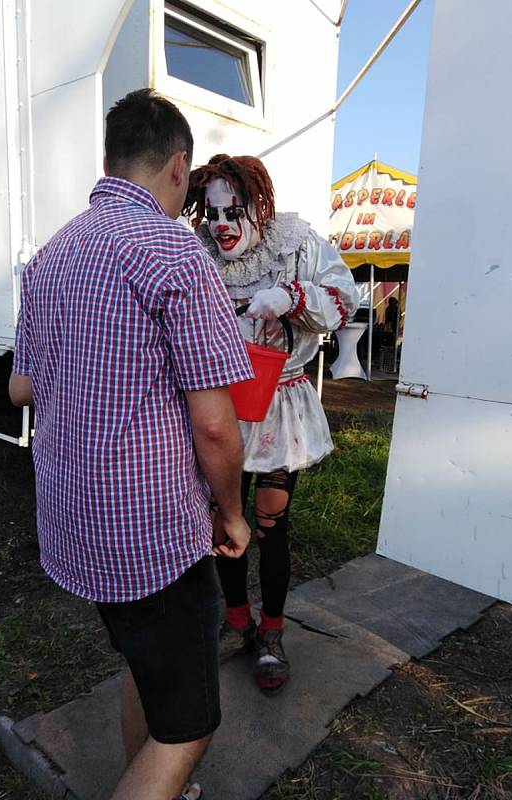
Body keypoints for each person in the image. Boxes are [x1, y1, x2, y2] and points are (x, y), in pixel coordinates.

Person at [8, 91, 254, 800]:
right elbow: (214, 425)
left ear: (109, 161)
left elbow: (20, 390)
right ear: (180, 168)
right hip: (149, 535)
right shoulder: (174, 252)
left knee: (147, 669)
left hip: (73, 520)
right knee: (189, 725)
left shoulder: (53, 253)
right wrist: (233, 514)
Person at [183, 155, 359, 695]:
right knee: (224, 522)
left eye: (234, 211)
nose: (223, 225)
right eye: (213, 215)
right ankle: (238, 625)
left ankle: (273, 634)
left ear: (259, 206)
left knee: (270, 526)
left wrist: (291, 298)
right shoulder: (200, 254)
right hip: (223, 410)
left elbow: (345, 298)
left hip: (281, 407)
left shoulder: (297, 243)